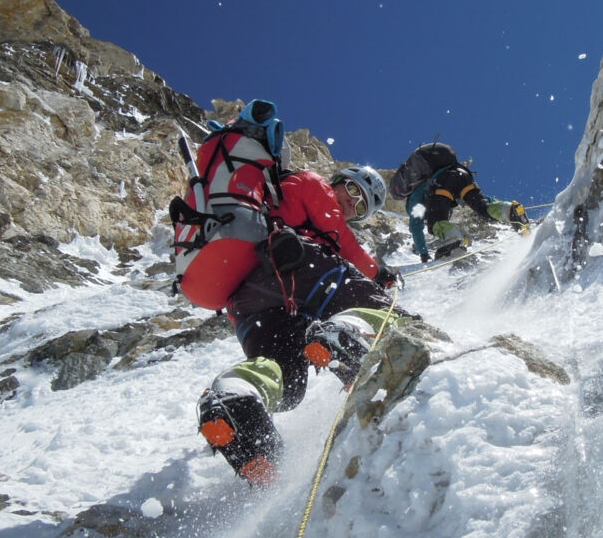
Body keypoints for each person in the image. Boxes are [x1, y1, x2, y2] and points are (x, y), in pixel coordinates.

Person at [196, 163, 407, 487]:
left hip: (249, 305)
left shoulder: (298, 206)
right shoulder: (310, 184)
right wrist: (377, 274)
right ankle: (351, 333)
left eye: (361, 206)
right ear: (337, 181)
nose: (352, 203)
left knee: (289, 383)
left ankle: (236, 394)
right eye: (352, 190)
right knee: (367, 297)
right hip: (293, 264)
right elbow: (345, 245)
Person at [394, 144, 529, 262]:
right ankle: (510, 210)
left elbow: (416, 226)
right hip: (462, 175)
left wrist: (423, 253)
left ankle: (453, 240)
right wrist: (490, 201)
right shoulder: (439, 171)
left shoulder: (415, 197)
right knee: (482, 208)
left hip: (442, 184)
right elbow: (476, 199)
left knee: (435, 222)